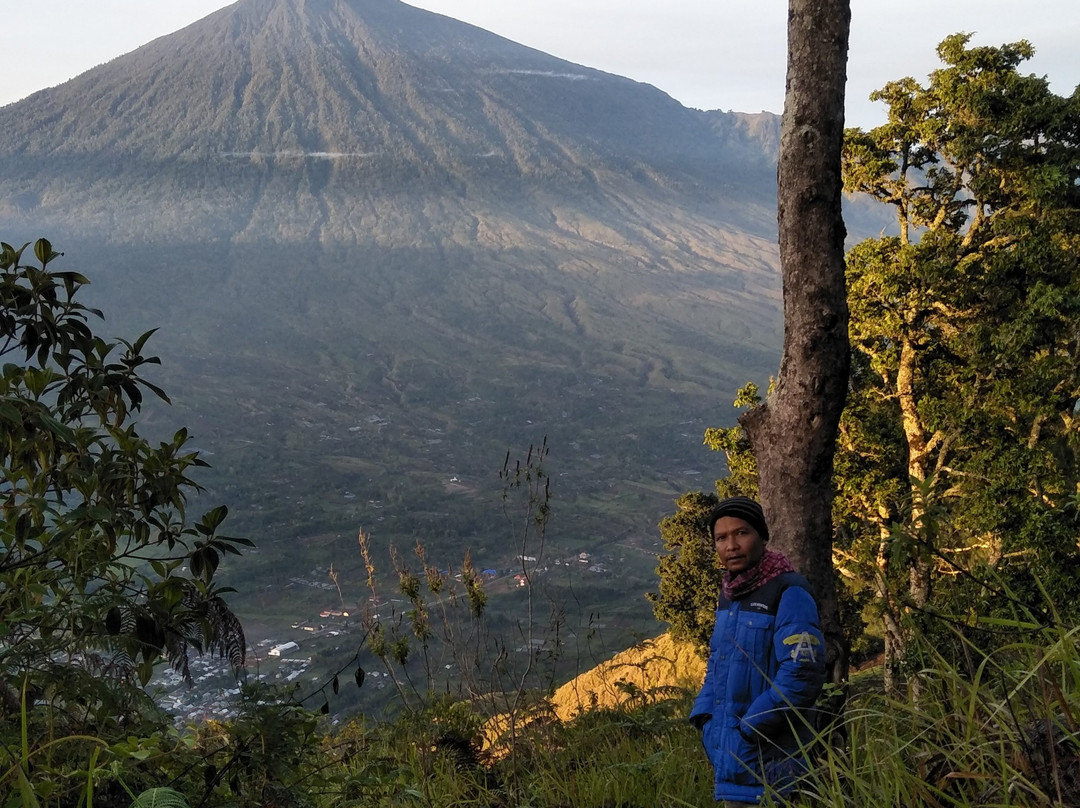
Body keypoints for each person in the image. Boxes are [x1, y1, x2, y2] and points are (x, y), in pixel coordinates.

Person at [690, 496, 825, 806]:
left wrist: (750, 729)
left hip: (773, 761)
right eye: (721, 538)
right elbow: (717, 663)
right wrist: (705, 718)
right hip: (731, 758)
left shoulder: (789, 592)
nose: (731, 545)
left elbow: (802, 673)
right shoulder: (729, 596)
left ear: (762, 536)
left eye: (742, 533)